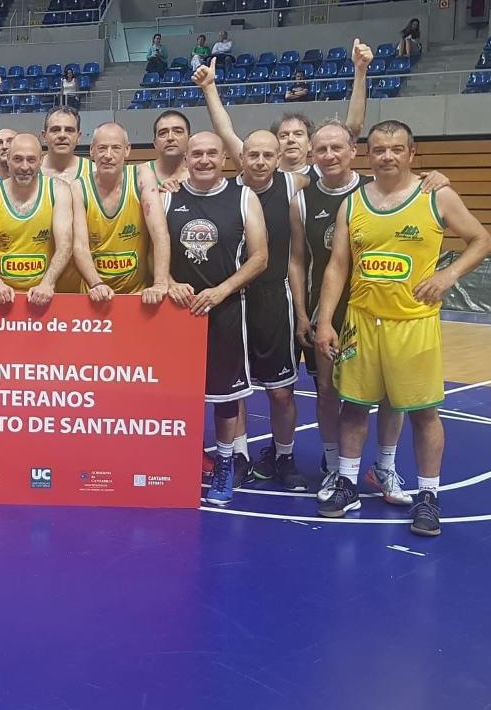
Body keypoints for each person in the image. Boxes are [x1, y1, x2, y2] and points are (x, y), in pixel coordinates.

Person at [315, 120, 491, 535]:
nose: (388, 156)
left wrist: (448, 277)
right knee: (354, 406)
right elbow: (337, 266)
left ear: (412, 153)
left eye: (397, 148)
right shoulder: (353, 203)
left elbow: (481, 240)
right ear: (368, 155)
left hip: (413, 323)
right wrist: (325, 320)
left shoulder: (437, 195)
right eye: (379, 149)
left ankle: (429, 496)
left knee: (424, 413)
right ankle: (347, 482)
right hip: (361, 320)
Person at [290, 120, 408, 504]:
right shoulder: (302, 200)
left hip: (379, 309)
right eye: (321, 149)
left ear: (353, 150)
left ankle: (385, 467)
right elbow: (297, 260)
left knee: (391, 393)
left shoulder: (373, 191)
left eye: (336, 148)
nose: (329, 156)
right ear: (311, 155)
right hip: (326, 308)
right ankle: (333, 465)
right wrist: (303, 313)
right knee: (327, 390)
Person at [164, 132, 268, 506]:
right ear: (186, 159)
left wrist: (222, 290)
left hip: (225, 309)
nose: (204, 159)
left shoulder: (244, 197)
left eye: (211, 153)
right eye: (197, 154)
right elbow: (151, 254)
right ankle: (178, 462)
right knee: (176, 397)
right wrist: (170, 282)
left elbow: (260, 258)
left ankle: (225, 462)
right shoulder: (167, 196)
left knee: (225, 397)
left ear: (225, 157)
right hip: (176, 314)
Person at [227, 130, 304, 490]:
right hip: (232, 299)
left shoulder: (293, 185)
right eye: (252, 155)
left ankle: (284, 455)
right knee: (235, 389)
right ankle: (239, 455)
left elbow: (349, 177)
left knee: (281, 391)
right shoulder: (225, 191)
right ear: (240, 157)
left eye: (267, 156)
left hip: (275, 298)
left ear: (279, 159)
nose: (259, 162)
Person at [194, 39, 371, 177]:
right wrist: (209, 88)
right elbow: (225, 132)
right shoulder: (259, 169)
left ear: (310, 144)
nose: (291, 140)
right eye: (284, 135)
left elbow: (354, 126)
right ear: (276, 145)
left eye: (298, 134)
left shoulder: (324, 174)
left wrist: (360, 71)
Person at [69, 123, 173, 304]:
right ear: (92, 151)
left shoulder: (141, 176)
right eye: (102, 148)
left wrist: (160, 282)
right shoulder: (78, 187)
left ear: (127, 150)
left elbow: (160, 233)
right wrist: (96, 284)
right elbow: (79, 246)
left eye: (116, 148)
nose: (108, 155)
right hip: (93, 294)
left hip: (137, 296)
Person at [0, 134, 72, 306]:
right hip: (0, 298)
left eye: (31, 159)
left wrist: (47, 283)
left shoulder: (58, 191)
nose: (24, 167)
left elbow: (65, 245)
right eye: (18, 159)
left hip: (43, 296)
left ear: (41, 160)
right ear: (8, 160)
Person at [40, 106, 94, 183]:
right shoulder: (30, 171)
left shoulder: (94, 171)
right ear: (44, 136)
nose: (62, 135)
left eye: (69, 130)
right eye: (55, 130)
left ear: (78, 137)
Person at [141, 110, 191, 186]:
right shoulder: (139, 174)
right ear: (155, 143)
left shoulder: (198, 175)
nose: (170, 138)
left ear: (189, 139)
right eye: (163, 133)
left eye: (178, 131)